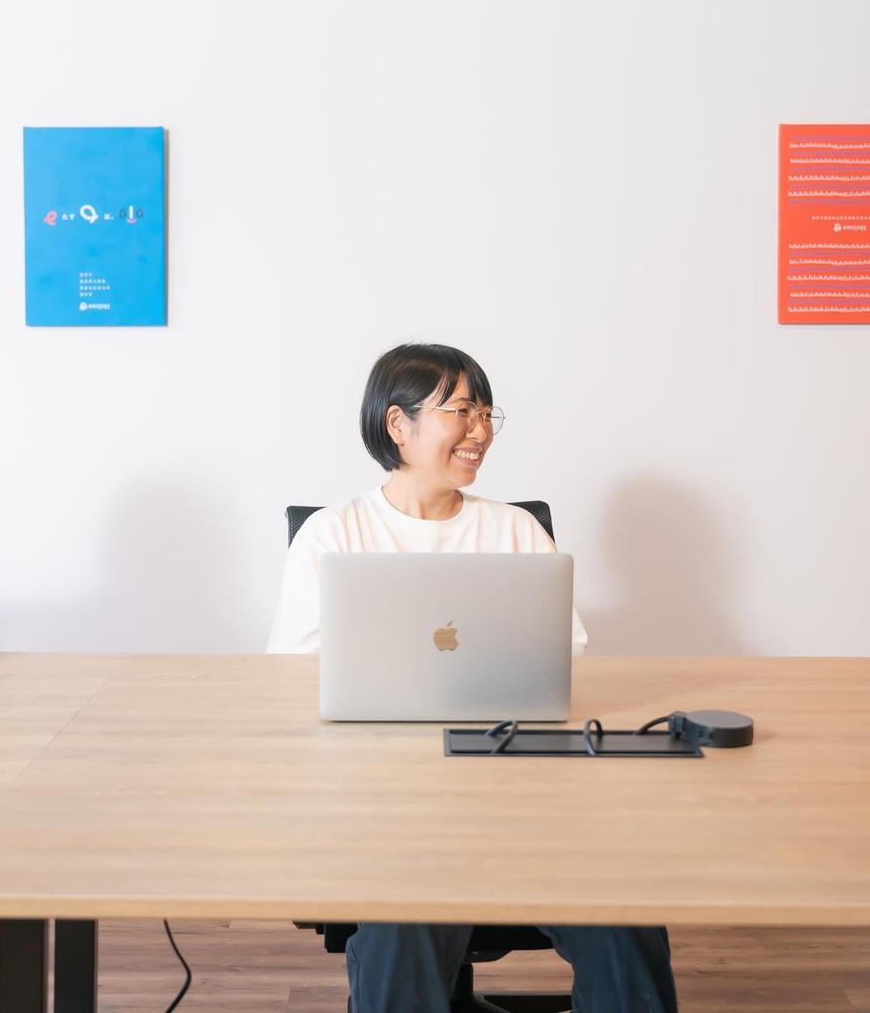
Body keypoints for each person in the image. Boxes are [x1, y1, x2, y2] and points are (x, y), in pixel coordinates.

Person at [268, 343, 674, 1013]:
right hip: (389, 806)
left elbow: (567, 658)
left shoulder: (514, 530)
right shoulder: (333, 534)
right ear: (397, 423)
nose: (480, 430)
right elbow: (293, 673)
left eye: (487, 413)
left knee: (625, 916)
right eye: (461, 411)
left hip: (521, 796)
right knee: (404, 928)